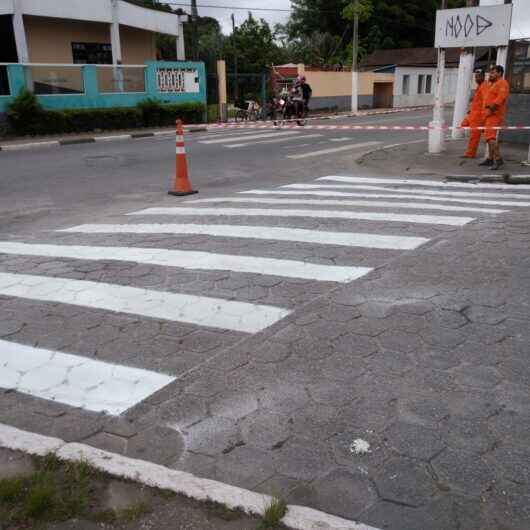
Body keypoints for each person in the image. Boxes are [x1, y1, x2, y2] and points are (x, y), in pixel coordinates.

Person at [480, 65, 510, 170]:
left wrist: (490, 111)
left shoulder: (502, 83)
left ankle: (498, 159)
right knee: (488, 138)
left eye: (493, 73)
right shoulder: (493, 84)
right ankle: (490, 159)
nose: (491, 75)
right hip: (489, 113)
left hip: (494, 114)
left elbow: (500, 99)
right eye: (490, 73)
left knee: (490, 138)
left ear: (500, 73)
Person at [460, 69, 487, 159]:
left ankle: (470, 153)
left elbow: (485, 102)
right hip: (473, 114)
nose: (477, 78)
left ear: (483, 76)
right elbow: (477, 101)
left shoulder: (484, 86)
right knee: (463, 124)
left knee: (474, 136)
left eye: (479, 76)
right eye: (476, 76)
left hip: (478, 116)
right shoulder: (479, 86)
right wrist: (470, 110)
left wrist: (483, 118)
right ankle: (482, 130)